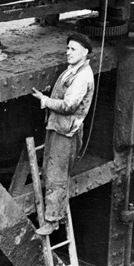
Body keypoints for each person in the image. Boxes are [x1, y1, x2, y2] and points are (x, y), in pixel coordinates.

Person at [32, 32, 95, 236]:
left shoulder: (83, 76)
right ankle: (54, 214)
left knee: (56, 175)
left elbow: (69, 105)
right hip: (59, 127)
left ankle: (52, 221)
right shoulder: (73, 70)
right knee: (51, 170)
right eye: (67, 48)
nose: (68, 52)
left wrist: (45, 100)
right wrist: (50, 93)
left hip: (66, 132)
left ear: (85, 53)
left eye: (73, 49)